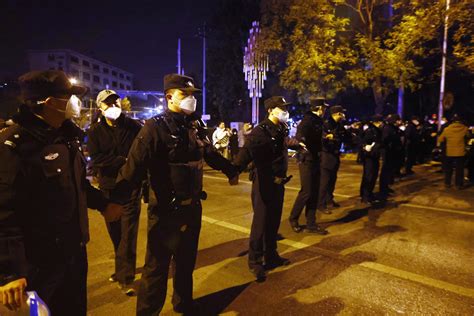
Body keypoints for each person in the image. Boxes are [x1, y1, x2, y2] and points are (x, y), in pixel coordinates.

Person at [113, 73, 239, 315]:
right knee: (156, 268)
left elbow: (209, 153)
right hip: (165, 211)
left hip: (192, 207)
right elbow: (134, 166)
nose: (191, 100)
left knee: (186, 262)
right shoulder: (154, 127)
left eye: (193, 95)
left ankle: (184, 303)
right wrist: (115, 202)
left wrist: (230, 170)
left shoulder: (195, 126)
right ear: (169, 97)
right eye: (185, 95)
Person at [0, 70, 122, 315]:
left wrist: (103, 203)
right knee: (41, 312)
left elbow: (77, 183)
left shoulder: (66, 137)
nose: (74, 102)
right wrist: (10, 272)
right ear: (49, 102)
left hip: (73, 254)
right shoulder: (15, 145)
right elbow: (4, 210)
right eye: (68, 96)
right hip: (38, 265)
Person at [235, 96, 304, 281]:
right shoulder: (260, 131)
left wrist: (296, 144)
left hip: (279, 183)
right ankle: (255, 261)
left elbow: (282, 144)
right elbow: (246, 153)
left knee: (273, 222)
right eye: (281, 108)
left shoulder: (281, 128)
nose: (285, 111)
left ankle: (271, 256)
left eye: (286, 108)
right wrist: (233, 169)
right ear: (271, 110)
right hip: (264, 183)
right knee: (260, 223)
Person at [87, 89, 142, 295]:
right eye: (108, 104)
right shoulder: (94, 132)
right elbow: (96, 158)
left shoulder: (133, 127)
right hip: (108, 189)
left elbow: (141, 152)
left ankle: (126, 277)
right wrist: (121, 160)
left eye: (115, 103)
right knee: (116, 234)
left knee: (128, 233)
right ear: (100, 108)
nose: (113, 107)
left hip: (130, 187)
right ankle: (122, 268)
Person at [288, 96, 329, 235]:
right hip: (307, 159)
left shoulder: (318, 120)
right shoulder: (307, 120)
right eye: (324, 108)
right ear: (319, 108)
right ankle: (293, 219)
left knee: (315, 192)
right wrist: (301, 142)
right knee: (306, 191)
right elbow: (300, 135)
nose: (325, 110)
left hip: (316, 158)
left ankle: (311, 223)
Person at [317, 105, 351, 214]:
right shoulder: (326, 124)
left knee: (332, 179)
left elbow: (346, 137)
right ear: (337, 114)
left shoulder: (339, 125)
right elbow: (323, 140)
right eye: (342, 113)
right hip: (327, 156)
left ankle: (329, 199)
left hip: (335, 155)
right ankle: (320, 204)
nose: (343, 115)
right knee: (324, 181)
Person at [437, 114, 469, 189]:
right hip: (460, 152)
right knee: (459, 169)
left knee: (448, 168)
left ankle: (447, 183)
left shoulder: (447, 129)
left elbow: (440, 139)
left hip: (449, 152)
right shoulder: (465, 128)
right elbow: (468, 136)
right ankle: (458, 184)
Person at [359, 115, 383, 205]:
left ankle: (369, 194)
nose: (381, 124)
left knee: (373, 176)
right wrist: (367, 147)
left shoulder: (376, 130)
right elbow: (363, 142)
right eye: (379, 122)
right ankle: (365, 196)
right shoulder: (370, 130)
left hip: (374, 156)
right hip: (369, 157)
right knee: (368, 176)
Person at [379, 114, 403, 199]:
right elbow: (385, 140)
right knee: (385, 171)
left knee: (389, 171)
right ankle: (383, 189)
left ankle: (386, 187)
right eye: (397, 120)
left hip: (392, 152)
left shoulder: (393, 128)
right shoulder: (387, 128)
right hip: (388, 152)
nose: (399, 122)